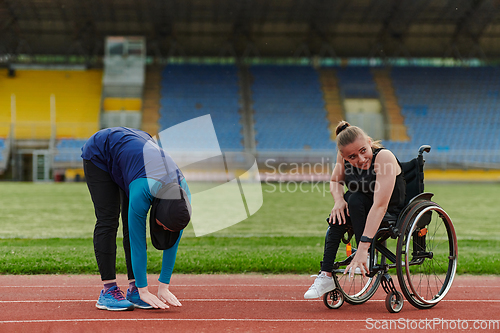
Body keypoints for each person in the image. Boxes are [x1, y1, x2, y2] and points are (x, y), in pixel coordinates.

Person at [81, 127, 191, 311]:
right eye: (162, 226)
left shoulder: (181, 196)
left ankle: (133, 290)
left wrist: (164, 285)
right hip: (102, 151)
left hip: (136, 152)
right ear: (157, 212)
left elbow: (175, 235)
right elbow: (136, 239)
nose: (163, 231)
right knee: (108, 220)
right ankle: (108, 291)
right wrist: (145, 290)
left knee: (128, 219)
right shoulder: (142, 191)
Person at [304, 121, 405, 299]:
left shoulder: (384, 157)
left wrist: (363, 248)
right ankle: (326, 274)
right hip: (360, 208)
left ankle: (364, 255)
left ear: (369, 142)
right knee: (342, 210)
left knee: (355, 198)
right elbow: (335, 181)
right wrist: (338, 201)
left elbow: (380, 205)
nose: (360, 159)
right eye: (352, 157)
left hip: (388, 210)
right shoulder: (343, 157)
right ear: (344, 156)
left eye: (363, 151)